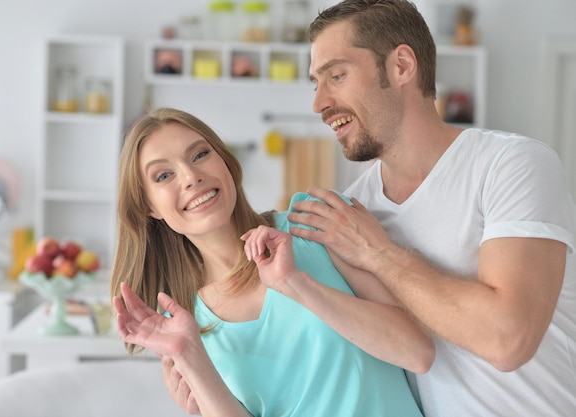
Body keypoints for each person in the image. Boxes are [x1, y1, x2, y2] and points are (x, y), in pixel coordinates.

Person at [278, 0, 575, 415]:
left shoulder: (511, 164)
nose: (319, 103)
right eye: (316, 83)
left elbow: (509, 341)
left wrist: (378, 253)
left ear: (401, 66)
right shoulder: (353, 212)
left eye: (337, 76)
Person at [110, 107, 434, 417]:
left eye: (200, 155)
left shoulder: (310, 221)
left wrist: (295, 283)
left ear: (226, 162)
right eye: (164, 175)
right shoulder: (182, 322)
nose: (191, 176)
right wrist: (188, 357)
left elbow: (417, 353)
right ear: (147, 206)